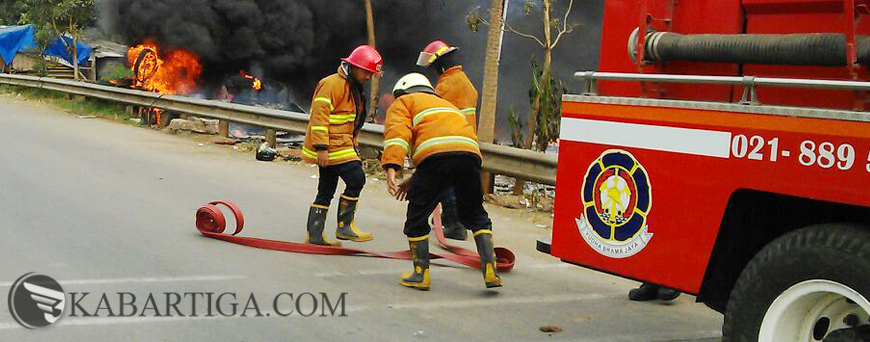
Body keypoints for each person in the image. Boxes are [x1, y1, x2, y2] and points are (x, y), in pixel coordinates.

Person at [382, 73, 502, 291]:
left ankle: (420, 275)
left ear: (402, 91)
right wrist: (417, 177)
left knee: (417, 215)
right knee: (474, 213)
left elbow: (397, 134)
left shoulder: (404, 102)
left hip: (436, 160)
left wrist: (392, 167)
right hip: (469, 156)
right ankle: (490, 269)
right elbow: (450, 146)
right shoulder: (447, 105)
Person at [301, 45, 382, 246]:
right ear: (353, 67)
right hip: (333, 146)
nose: (368, 77)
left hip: (341, 144)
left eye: (371, 74)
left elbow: (352, 119)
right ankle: (345, 227)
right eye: (366, 72)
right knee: (357, 179)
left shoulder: (352, 85)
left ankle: (315, 235)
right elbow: (319, 117)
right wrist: (321, 148)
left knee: (326, 190)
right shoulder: (331, 84)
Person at [416, 40, 479, 241]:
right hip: (466, 140)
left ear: (440, 63)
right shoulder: (463, 80)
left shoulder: (446, 85)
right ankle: (451, 220)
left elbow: (433, 112)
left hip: (450, 140)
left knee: (444, 184)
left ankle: (454, 224)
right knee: (455, 183)